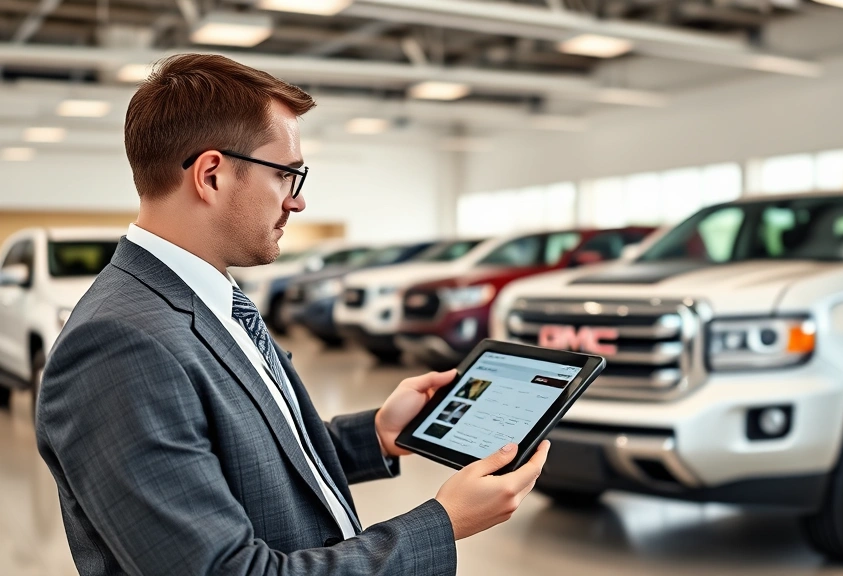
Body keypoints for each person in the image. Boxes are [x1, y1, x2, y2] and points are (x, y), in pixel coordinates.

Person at [35, 53, 549, 576]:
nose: (297, 202)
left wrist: (375, 434)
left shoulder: (202, 297)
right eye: (287, 175)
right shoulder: (120, 344)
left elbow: (243, 460)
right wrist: (443, 523)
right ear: (211, 175)